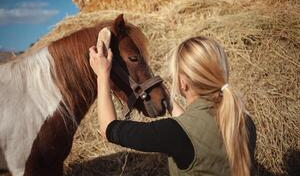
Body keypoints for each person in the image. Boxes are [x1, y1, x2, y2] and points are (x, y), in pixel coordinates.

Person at [89, 29, 256, 176]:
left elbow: (108, 129)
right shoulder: (244, 121)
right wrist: (168, 100)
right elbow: (195, 132)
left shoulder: (174, 134)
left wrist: (102, 75)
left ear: (183, 83)